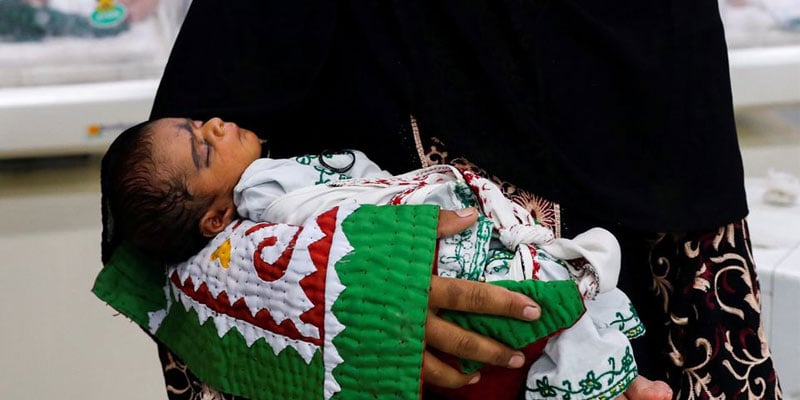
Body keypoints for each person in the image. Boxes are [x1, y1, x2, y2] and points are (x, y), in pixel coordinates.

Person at [147, 1, 782, 398]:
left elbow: (706, 269)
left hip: (615, 368)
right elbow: (159, 218)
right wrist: (339, 297)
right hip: (355, 379)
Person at [101, 115, 672, 399]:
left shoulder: (257, 183)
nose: (217, 123)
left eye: (198, 123)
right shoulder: (257, 193)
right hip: (423, 278)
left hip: (461, 242)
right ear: (214, 220)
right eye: (204, 145)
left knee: (556, 301)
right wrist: (371, 286)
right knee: (549, 303)